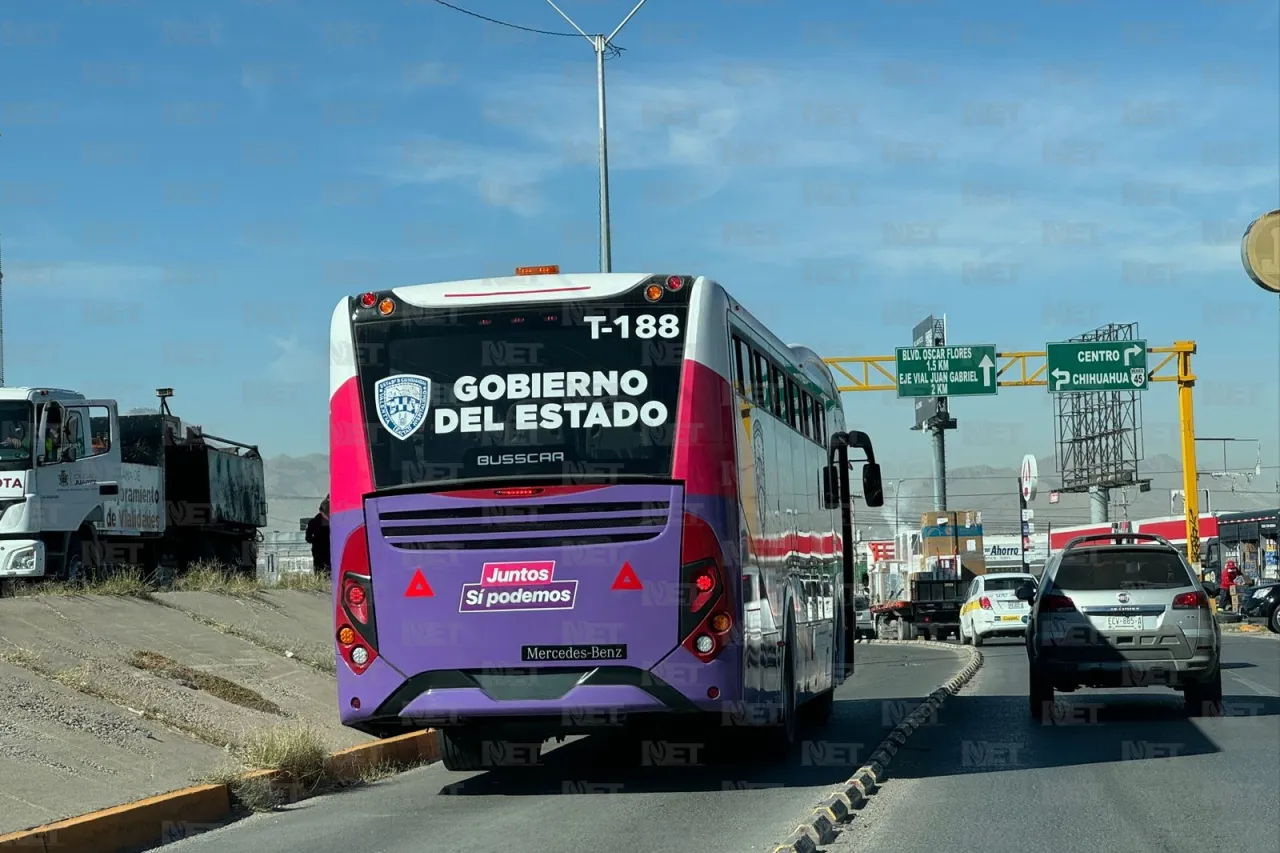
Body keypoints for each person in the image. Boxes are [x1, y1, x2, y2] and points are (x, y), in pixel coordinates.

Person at [306, 498, 331, 577]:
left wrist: (315, 541)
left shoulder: (313, 522)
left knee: (320, 572)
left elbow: (308, 538)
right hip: (328, 550)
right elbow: (308, 538)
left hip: (319, 551)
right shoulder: (336, 521)